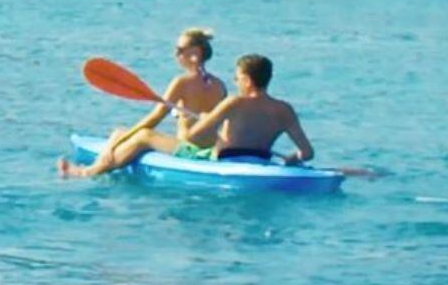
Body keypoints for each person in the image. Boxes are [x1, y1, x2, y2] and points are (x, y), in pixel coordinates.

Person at [57, 28, 227, 179]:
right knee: (119, 132)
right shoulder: (219, 85)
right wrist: (121, 137)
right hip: (209, 148)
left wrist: (115, 145)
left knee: (144, 136)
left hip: (190, 151)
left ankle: (90, 171)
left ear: (195, 53)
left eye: (180, 50)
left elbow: (155, 118)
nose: (176, 54)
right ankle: (106, 154)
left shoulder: (181, 82)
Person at [179, 54, 315, 164]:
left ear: (247, 81)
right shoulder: (284, 110)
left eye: (237, 78)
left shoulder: (234, 102)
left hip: (228, 163)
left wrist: (202, 120)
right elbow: (308, 153)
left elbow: (193, 137)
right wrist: (294, 158)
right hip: (262, 162)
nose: (235, 81)